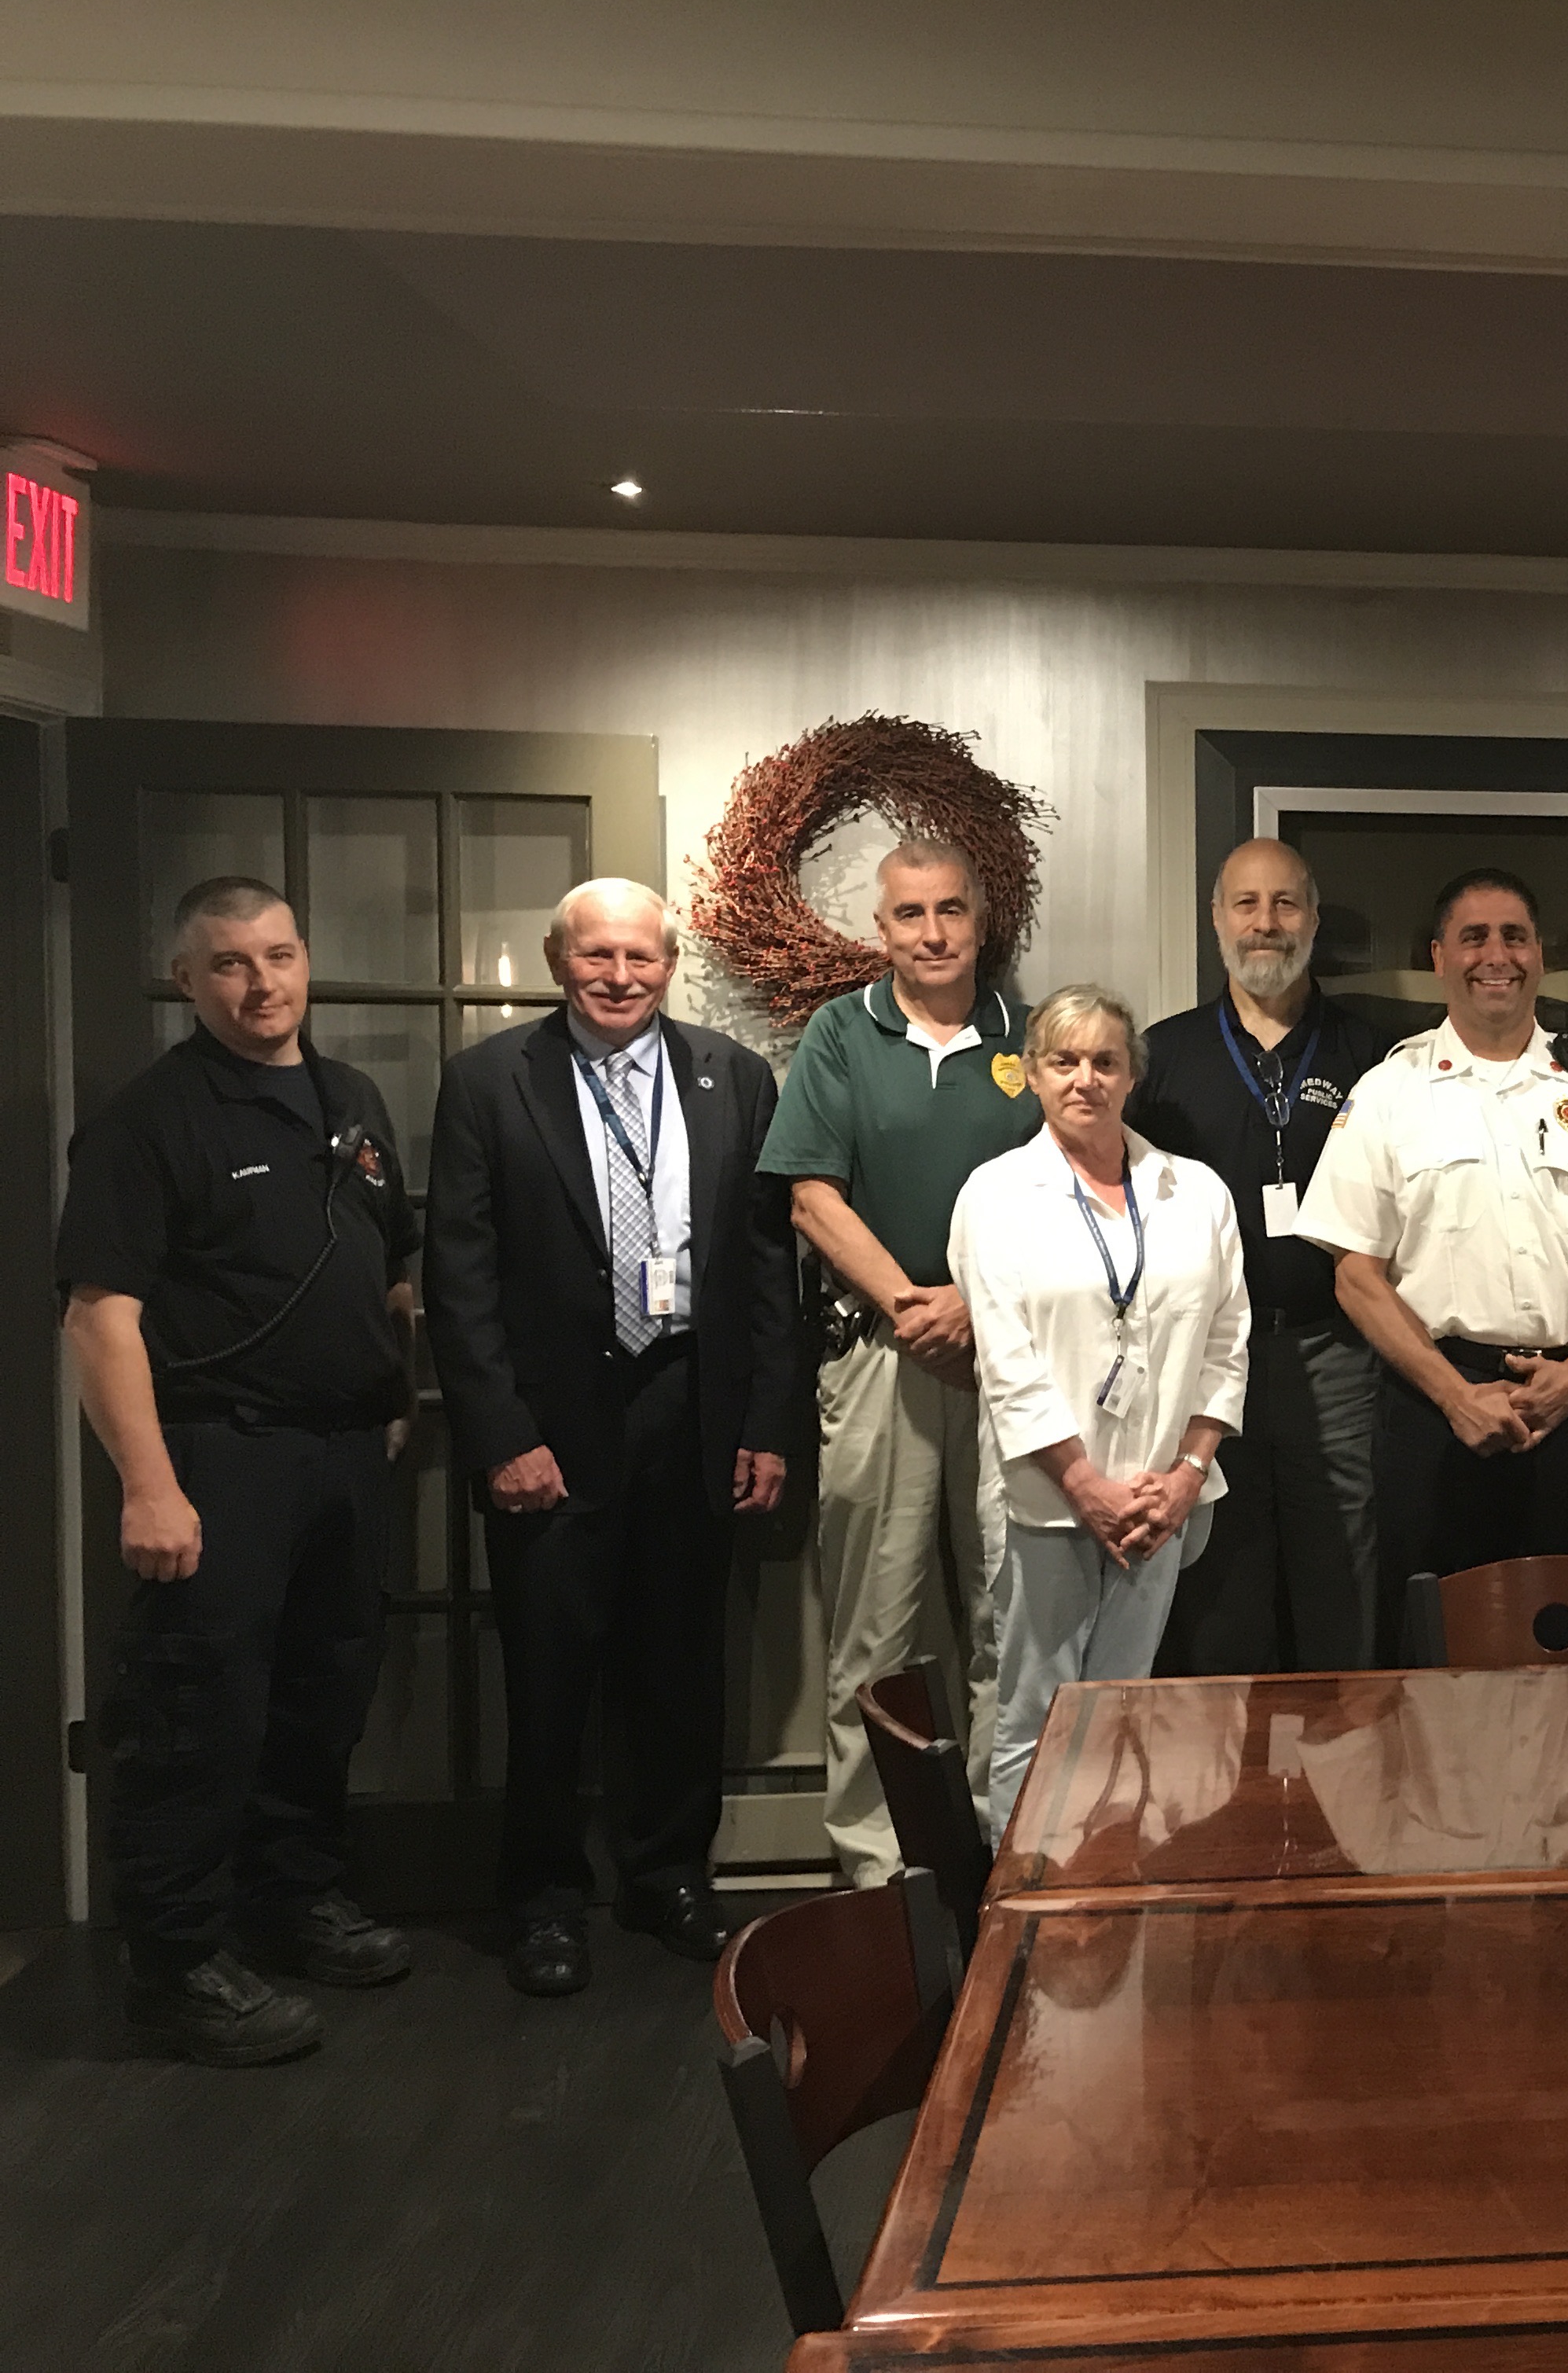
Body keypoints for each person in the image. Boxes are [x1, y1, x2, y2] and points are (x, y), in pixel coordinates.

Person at [56, 878, 417, 2065]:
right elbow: (100, 1316)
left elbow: (395, 1267)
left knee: (324, 1695)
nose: (260, 985)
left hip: (349, 1456)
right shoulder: (150, 1121)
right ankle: (173, 1964)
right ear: (188, 983)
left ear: (307, 960)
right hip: (220, 1456)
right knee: (196, 1714)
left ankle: (293, 1898)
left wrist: (394, 1389)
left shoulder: (352, 1100)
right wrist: (149, 1486)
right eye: (228, 965)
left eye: (278, 956)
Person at [424, 878, 803, 1998]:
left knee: (681, 1665)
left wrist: (766, 1420)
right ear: (557, 959)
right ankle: (544, 1899)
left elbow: (765, 1266)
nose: (620, 977)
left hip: (691, 1406)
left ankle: (668, 1876)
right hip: (554, 1425)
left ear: (669, 962)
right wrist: (502, 1437)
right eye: (597, 956)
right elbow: (460, 1277)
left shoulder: (731, 1076)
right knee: (549, 1673)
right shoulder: (489, 1083)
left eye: (640, 957)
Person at [1295, 867, 1568, 1659]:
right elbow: (1354, 1272)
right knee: (1435, 1653)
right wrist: (1455, 1397)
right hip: (1435, 1410)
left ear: (1540, 956)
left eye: (1514, 936)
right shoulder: (1387, 1092)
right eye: (1474, 937)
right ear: (1440, 955)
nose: (1496, 954)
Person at [758, 838, 1035, 1886]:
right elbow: (811, 1198)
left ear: (980, 919)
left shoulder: (1031, 1034)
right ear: (882, 928)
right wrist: (915, 1305)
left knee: (1012, 1613)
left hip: (1006, 1360)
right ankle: (876, 1869)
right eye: (909, 914)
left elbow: (1071, 1187)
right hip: (880, 1354)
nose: (932, 933)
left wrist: (977, 1301)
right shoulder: (843, 1033)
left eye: (950, 911)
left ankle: (1000, 1846)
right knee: (877, 1626)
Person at [949, 986, 1250, 1828]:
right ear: (1035, 1077)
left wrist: (1186, 1476)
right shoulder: (997, 1193)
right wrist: (1085, 1485)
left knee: (1124, 1707)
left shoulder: (1194, 1194)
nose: (1087, 1079)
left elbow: (1227, 1344)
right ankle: (1021, 1914)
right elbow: (1004, 1362)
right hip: (1048, 1501)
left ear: (1131, 1077)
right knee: (1035, 1719)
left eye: (1106, 1062)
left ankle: (1099, 1901)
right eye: (1065, 1061)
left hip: (1160, 1503)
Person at [1130, 839, 1394, 1673]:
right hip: (1208, 1366)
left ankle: (1346, 1781)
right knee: (1220, 1585)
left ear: (1312, 918)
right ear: (1217, 920)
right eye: (1246, 904)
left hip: (1338, 1354)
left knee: (1341, 1576)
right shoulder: (1159, 1060)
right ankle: (1230, 1788)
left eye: (1285, 904)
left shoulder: (1375, 1056)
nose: (1266, 924)